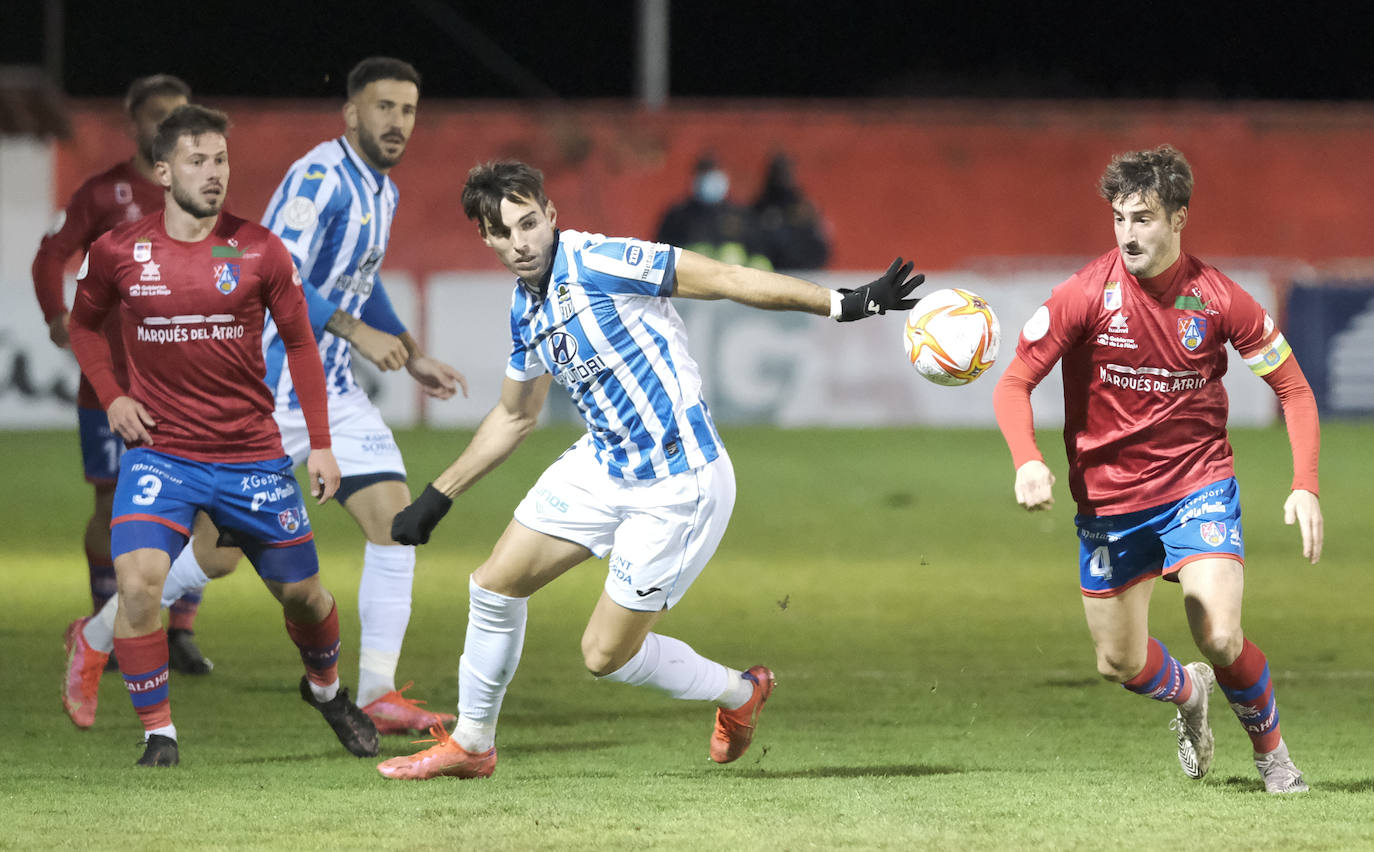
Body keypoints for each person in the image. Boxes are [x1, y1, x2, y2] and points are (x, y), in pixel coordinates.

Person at [374, 160, 924, 780]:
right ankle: (472, 746)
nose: (522, 242)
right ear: (487, 239)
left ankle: (740, 692)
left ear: (551, 216)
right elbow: (513, 416)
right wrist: (437, 496)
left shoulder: (601, 261)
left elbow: (722, 277)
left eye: (530, 223)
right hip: (604, 465)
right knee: (494, 584)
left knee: (602, 655)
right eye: (505, 233)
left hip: (677, 482)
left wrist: (843, 302)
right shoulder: (525, 311)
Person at [65, 57, 469, 738]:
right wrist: (354, 330)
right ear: (350, 113)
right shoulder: (321, 178)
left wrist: (409, 349)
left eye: (408, 110)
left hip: (330, 388)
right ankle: (98, 634)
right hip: (262, 388)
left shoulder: (383, 191)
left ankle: (373, 692)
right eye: (384, 108)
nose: (397, 122)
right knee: (217, 559)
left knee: (398, 522)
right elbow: (281, 266)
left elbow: (360, 277)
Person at [992, 144, 1322, 794]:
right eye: (1119, 218)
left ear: (1178, 218)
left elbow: (1295, 390)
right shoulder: (1084, 295)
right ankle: (1188, 697)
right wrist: (1026, 461)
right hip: (1108, 504)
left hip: (1196, 487)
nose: (1128, 233)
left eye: (1142, 218)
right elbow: (1013, 384)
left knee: (1219, 632)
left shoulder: (1220, 299)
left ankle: (1274, 758)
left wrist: (1304, 485)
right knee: (1118, 662)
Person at [66, 103, 379, 767]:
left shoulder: (260, 249)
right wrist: (115, 394)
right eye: (198, 160)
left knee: (304, 596)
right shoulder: (120, 251)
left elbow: (300, 341)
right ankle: (160, 734)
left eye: (221, 160)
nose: (214, 173)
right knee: (141, 583)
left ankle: (325, 691)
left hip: (251, 457)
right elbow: (84, 325)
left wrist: (319, 443)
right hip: (163, 454)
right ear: (162, 169)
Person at [33, 74, 221, 678]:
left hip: (184, 380)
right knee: (112, 499)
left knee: (196, 505)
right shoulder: (104, 192)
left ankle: (182, 631)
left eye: (179, 114)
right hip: (109, 381)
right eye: (157, 115)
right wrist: (56, 317)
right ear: (133, 124)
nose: (169, 123)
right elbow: (50, 253)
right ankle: (106, 619)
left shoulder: (202, 193)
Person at [655, 154, 771, 270]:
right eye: (704, 172)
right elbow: (663, 251)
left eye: (714, 171)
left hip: (734, 282)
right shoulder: (678, 215)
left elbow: (758, 253)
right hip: (693, 279)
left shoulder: (740, 214)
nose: (710, 179)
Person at [750, 152, 831, 271]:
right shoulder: (761, 206)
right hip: (773, 271)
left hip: (805, 271)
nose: (783, 177)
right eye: (779, 172)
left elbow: (821, 248)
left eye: (786, 172)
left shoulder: (803, 207)